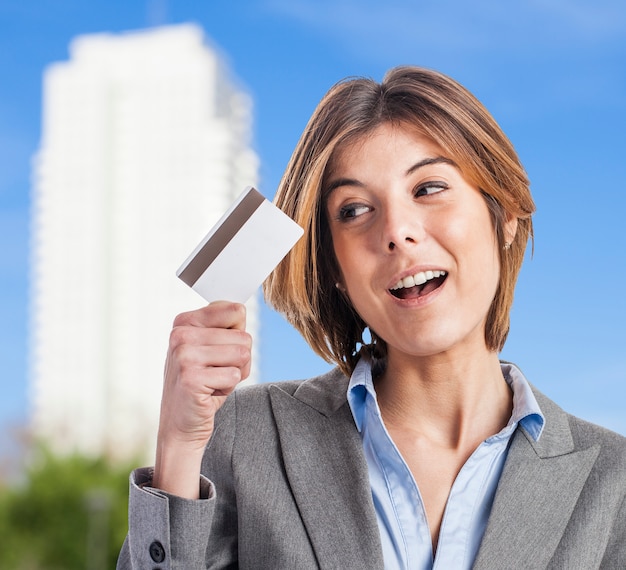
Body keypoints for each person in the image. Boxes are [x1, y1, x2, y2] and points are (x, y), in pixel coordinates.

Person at [117, 66, 626, 569]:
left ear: (506, 217)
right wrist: (179, 447)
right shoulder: (242, 438)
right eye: (355, 210)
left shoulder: (613, 480)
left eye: (428, 188)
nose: (397, 231)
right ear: (335, 267)